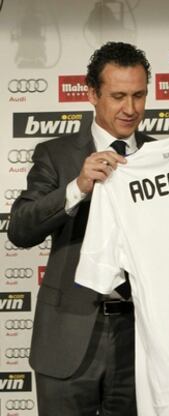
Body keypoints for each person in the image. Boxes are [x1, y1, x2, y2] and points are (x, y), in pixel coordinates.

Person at [7, 41, 154, 416]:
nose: (131, 108)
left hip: (143, 339)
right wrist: (78, 187)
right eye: (118, 95)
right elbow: (21, 230)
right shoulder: (55, 155)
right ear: (91, 94)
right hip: (68, 337)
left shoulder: (160, 157)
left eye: (138, 95)